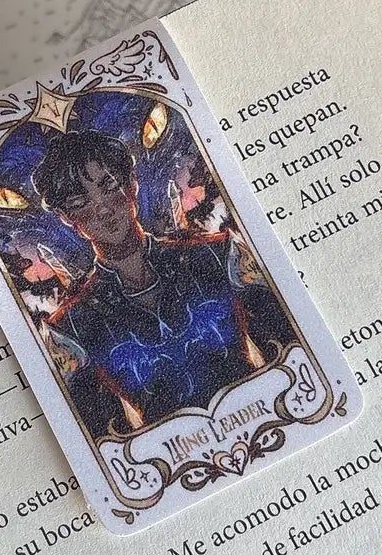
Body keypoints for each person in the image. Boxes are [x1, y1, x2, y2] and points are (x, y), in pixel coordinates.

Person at [31, 127, 294, 441]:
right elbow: (105, 438)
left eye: (109, 185)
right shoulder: (71, 327)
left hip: (266, 419)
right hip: (173, 451)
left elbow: (289, 353)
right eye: (80, 202)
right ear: (66, 217)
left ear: (131, 184)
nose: (102, 208)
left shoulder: (218, 254)